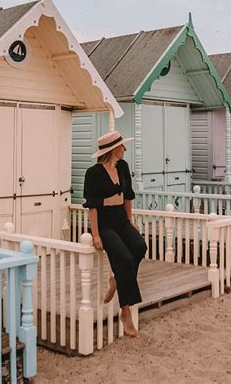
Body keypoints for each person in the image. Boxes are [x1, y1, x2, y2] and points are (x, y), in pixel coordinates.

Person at [83, 130, 147, 337]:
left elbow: (127, 196)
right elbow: (92, 206)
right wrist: (96, 235)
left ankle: (117, 282)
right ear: (112, 150)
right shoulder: (93, 173)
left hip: (121, 220)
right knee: (125, 260)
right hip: (105, 224)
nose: (125, 149)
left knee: (139, 247)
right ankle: (125, 312)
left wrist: (130, 220)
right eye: (122, 146)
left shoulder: (123, 167)